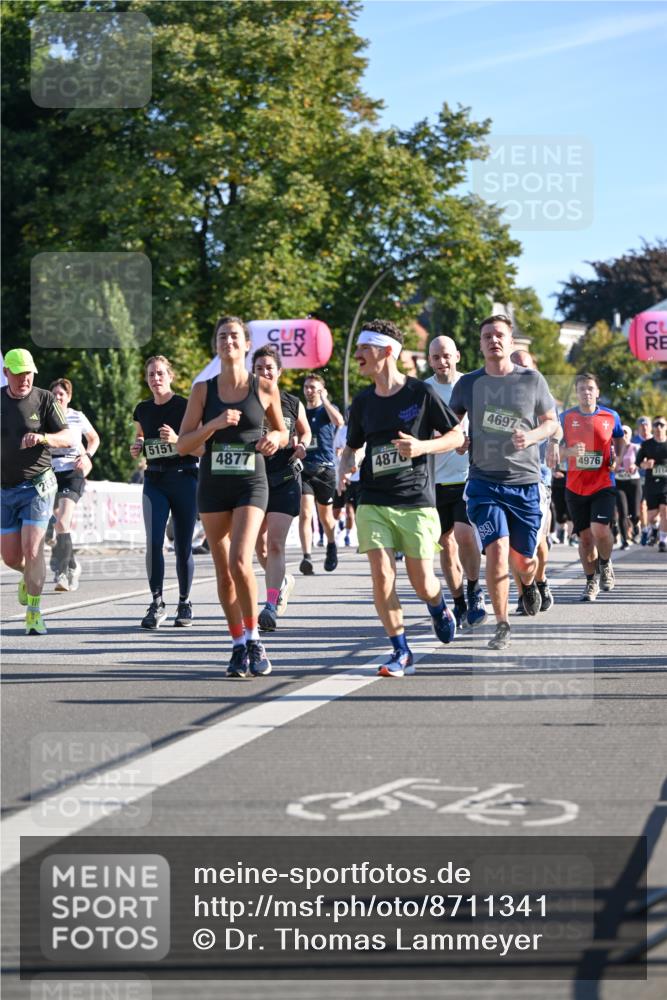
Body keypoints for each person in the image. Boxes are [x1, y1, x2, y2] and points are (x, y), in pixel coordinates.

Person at [338, 319, 464, 678]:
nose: (358, 355)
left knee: (422, 581)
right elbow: (351, 447)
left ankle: (439, 606)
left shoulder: (419, 394)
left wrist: (422, 446)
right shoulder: (362, 402)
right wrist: (344, 467)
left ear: (387, 352)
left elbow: (455, 437)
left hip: (415, 500)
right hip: (373, 499)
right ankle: (400, 650)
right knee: (382, 576)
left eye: (365, 348)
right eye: (358, 348)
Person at [176, 316, 287, 677]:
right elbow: (183, 444)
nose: (228, 341)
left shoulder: (264, 386)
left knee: (241, 560)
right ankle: (238, 644)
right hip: (213, 485)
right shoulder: (202, 390)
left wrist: (275, 439)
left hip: (251, 482)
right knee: (224, 573)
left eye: (234, 336)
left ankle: (255, 638)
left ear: (245, 345)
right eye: (222, 336)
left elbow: (284, 432)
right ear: (216, 345)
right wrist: (214, 425)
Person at [449, 315, 559, 650]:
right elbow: (452, 425)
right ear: (480, 344)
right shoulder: (468, 383)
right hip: (484, 482)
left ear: (511, 342)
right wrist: (458, 440)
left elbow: (551, 423)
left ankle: (529, 583)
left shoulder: (532, 380)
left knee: (523, 561)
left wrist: (533, 436)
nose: (493, 340)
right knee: (496, 552)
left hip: (525, 482)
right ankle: (502, 624)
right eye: (487, 336)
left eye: (499, 335)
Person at [1, 349, 72, 635]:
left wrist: (44, 437)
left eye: (29, 373)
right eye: (18, 374)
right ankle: (28, 577)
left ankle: (33, 612)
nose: (25, 379)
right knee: (10, 557)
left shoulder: (44, 399)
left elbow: (68, 436)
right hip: (4, 489)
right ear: (6, 373)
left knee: (33, 549)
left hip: (37, 486)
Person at [131, 356, 199, 629]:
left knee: (183, 546)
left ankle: (185, 601)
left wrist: (178, 441)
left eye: (160, 373)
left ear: (170, 376)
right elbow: (141, 439)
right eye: (151, 375)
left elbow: (200, 447)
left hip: (185, 478)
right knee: (153, 543)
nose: (155, 379)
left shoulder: (186, 407)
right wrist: (137, 447)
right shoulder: (142, 410)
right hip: (155, 480)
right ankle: (157, 602)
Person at [426, 335, 487, 629]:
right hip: (434, 480)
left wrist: (471, 440)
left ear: (458, 356)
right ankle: (459, 602)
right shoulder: (423, 390)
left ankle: (475, 589)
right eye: (436, 357)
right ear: (430, 360)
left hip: (466, 476)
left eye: (447, 355)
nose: (442, 362)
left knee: (464, 535)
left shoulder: (471, 386)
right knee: (445, 545)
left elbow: (487, 425)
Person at [252, 345, 311, 632]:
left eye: (269, 368)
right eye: (260, 368)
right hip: (253, 480)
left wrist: (303, 445)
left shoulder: (292, 402)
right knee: (259, 545)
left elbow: (305, 431)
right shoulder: (245, 403)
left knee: (275, 543)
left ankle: (271, 604)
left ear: (279, 372)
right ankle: (282, 581)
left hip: (285, 478)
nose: (265, 372)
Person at [559, 372, 624, 602]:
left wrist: (618, 458)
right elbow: (554, 450)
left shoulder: (610, 416)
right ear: (576, 393)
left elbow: (619, 438)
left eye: (590, 388)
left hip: (603, 483)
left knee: (600, 530)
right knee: (585, 539)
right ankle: (590, 583)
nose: (586, 392)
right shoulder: (564, 418)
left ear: (597, 391)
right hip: (575, 487)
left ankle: (605, 564)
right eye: (581, 389)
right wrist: (568, 452)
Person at [508, 349, 561, 615]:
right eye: (513, 364)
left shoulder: (543, 394)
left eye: (524, 365)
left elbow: (556, 426)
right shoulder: (498, 393)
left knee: (536, 541)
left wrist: (553, 444)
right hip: (504, 477)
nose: (518, 369)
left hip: (537, 477)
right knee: (510, 542)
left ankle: (540, 579)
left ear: (535, 368)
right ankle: (522, 594)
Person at [48, 378, 100, 592]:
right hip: (49, 475)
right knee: (55, 525)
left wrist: (87, 456)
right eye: (55, 394)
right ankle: (72, 564)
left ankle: (63, 573)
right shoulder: (44, 417)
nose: (58, 397)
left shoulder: (77, 416)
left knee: (62, 521)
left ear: (69, 397)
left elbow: (94, 438)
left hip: (73, 473)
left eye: (62, 394)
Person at [299, 372, 344, 575]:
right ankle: (306, 557)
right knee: (306, 513)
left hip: (325, 469)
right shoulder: (300, 412)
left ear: (320, 389)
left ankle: (331, 544)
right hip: (304, 469)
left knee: (326, 517)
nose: (309, 390)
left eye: (313, 387)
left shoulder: (326, 410)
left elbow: (339, 421)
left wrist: (324, 398)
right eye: (307, 387)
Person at [636, 416, 667, 553]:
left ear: (666, 427)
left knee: (665, 511)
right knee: (652, 516)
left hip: (666, 483)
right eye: (656, 425)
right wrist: (645, 464)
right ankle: (654, 528)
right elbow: (638, 462)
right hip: (651, 483)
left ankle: (663, 540)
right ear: (653, 427)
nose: (659, 427)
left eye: (661, 424)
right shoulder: (647, 444)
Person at [614, 425, 642, 547]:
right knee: (622, 512)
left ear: (630, 435)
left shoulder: (636, 447)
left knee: (634, 514)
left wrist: (635, 466)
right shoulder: (614, 449)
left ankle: (636, 524)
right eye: (622, 433)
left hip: (633, 482)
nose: (624, 436)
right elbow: (612, 467)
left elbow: (641, 461)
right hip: (619, 483)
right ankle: (625, 540)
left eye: (626, 433)